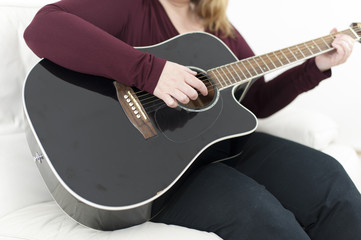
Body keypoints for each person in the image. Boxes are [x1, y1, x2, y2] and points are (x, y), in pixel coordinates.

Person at [24, 0, 361, 239]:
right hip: (156, 164)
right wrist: (150, 72)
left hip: (218, 145)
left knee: (329, 177)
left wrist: (316, 66)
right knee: (258, 212)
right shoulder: (133, 6)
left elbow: (254, 101)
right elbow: (43, 27)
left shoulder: (219, 30)